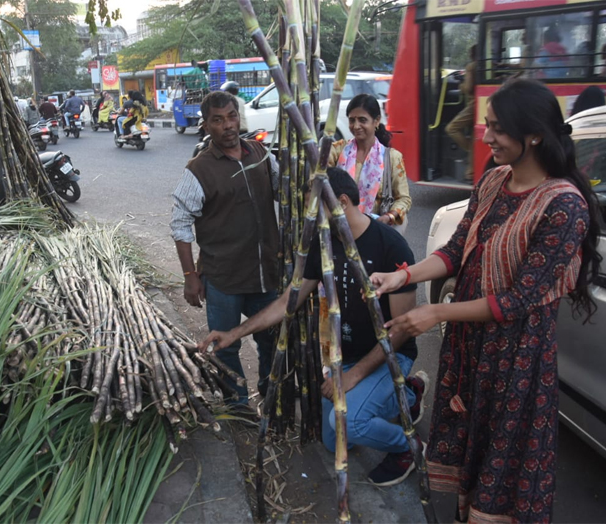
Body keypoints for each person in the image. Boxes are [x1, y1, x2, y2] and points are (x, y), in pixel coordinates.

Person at [369, 78, 601, 523]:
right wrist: (401, 276)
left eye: (497, 128)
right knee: (470, 458)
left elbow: (518, 301)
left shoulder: (564, 206)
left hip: (516, 361)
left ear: (534, 135)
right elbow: (456, 249)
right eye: (487, 125)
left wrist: (435, 312)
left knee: (503, 468)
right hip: (470, 350)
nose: (486, 137)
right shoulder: (494, 180)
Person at [199, 167, 428, 486]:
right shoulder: (324, 245)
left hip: (391, 356)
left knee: (350, 422)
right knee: (333, 439)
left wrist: (351, 377)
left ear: (342, 202)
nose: (310, 218)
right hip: (348, 356)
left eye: (315, 209)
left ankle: (409, 447)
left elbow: (401, 330)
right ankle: (407, 394)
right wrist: (233, 333)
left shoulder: (390, 245)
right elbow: (287, 302)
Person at [170, 90, 279, 403]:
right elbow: (180, 225)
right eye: (218, 120)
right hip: (223, 278)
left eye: (232, 116)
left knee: (273, 340)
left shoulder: (260, 153)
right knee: (224, 347)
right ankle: (238, 404)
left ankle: (271, 392)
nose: (228, 125)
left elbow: (284, 191)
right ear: (206, 125)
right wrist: (190, 276)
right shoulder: (198, 170)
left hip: (265, 274)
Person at [328, 94, 412, 234]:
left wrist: (389, 217)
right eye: (352, 120)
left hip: (375, 228)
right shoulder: (337, 150)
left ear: (376, 121)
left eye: (362, 120)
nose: (356, 126)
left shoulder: (392, 158)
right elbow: (319, 178)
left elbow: (404, 199)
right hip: (339, 228)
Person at [446, 45, 477, 181]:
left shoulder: (471, 66)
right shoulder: (485, 65)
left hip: (474, 104)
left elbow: (468, 87)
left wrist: (461, 85)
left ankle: (470, 150)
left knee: (452, 128)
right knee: (475, 135)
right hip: (478, 104)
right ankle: (470, 172)